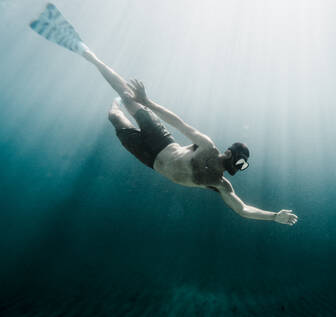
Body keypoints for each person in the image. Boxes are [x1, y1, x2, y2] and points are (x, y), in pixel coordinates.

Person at [30, 3, 298, 225]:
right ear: (230, 153)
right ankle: (86, 52)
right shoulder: (207, 146)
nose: (237, 167)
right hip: (162, 141)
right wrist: (148, 102)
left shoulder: (220, 185)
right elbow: (178, 123)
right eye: (240, 161)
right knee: (129, 96)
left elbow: (242, 210)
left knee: (114, 118)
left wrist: (275, 217)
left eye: (241, 166)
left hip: (149, 159)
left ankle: (113, 102)